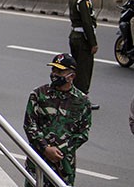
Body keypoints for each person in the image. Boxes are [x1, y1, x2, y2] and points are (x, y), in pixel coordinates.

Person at [23, 53, 91, 187]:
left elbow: (83, 133)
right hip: (38, 160)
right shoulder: (38, 94)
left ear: (71, 76)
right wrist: (45, 148)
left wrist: (60, 150)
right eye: (53, 70)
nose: (55, 74)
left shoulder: (82, 101)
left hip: (63, 165)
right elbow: (29, 125)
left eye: (59, 71)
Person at [69, 0, 99, 110]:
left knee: (77, 68)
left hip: (75, 36)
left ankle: (74, 97)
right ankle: (81, 99)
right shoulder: (83, 0)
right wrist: (93, 43)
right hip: (82, 39)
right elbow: (87, 23)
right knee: (84, 70)